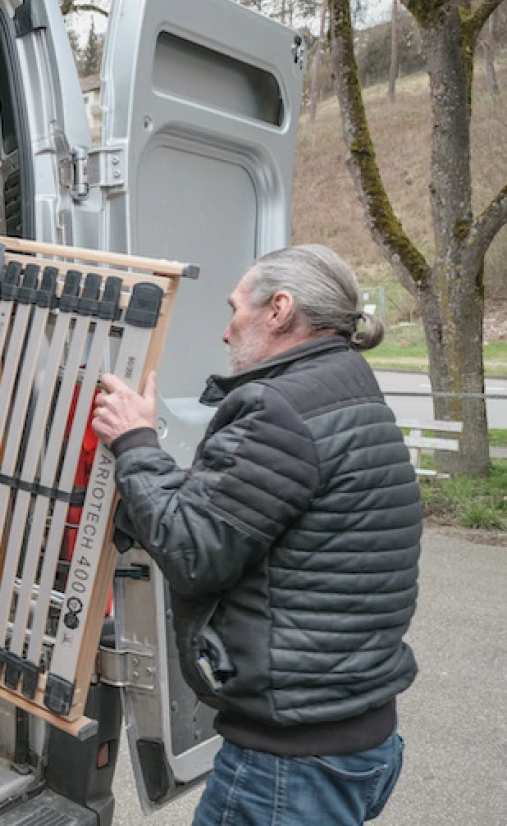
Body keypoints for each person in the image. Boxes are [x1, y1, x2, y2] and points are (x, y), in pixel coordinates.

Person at [91, 244, 420, 825]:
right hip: (358, 738)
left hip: (293, 765)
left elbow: (193, 552)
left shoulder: (281, 408)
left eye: (235, 308)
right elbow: (236, 515)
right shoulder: (347, 387)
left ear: (279, 309)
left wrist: (136, 442)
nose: (225, 330)